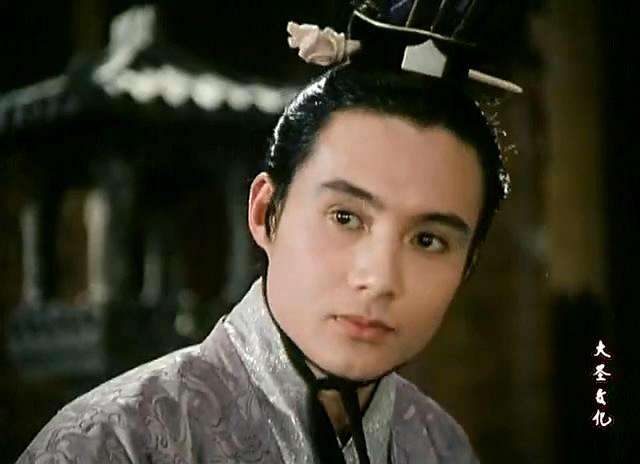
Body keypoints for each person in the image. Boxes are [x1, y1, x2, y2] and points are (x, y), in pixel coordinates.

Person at [17, 1, 520, 462]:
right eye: (345, 217)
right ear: (265, 212)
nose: (379, 278)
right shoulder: (107, 443)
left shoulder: (441, 447)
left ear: (468, 264)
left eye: (428, 240)